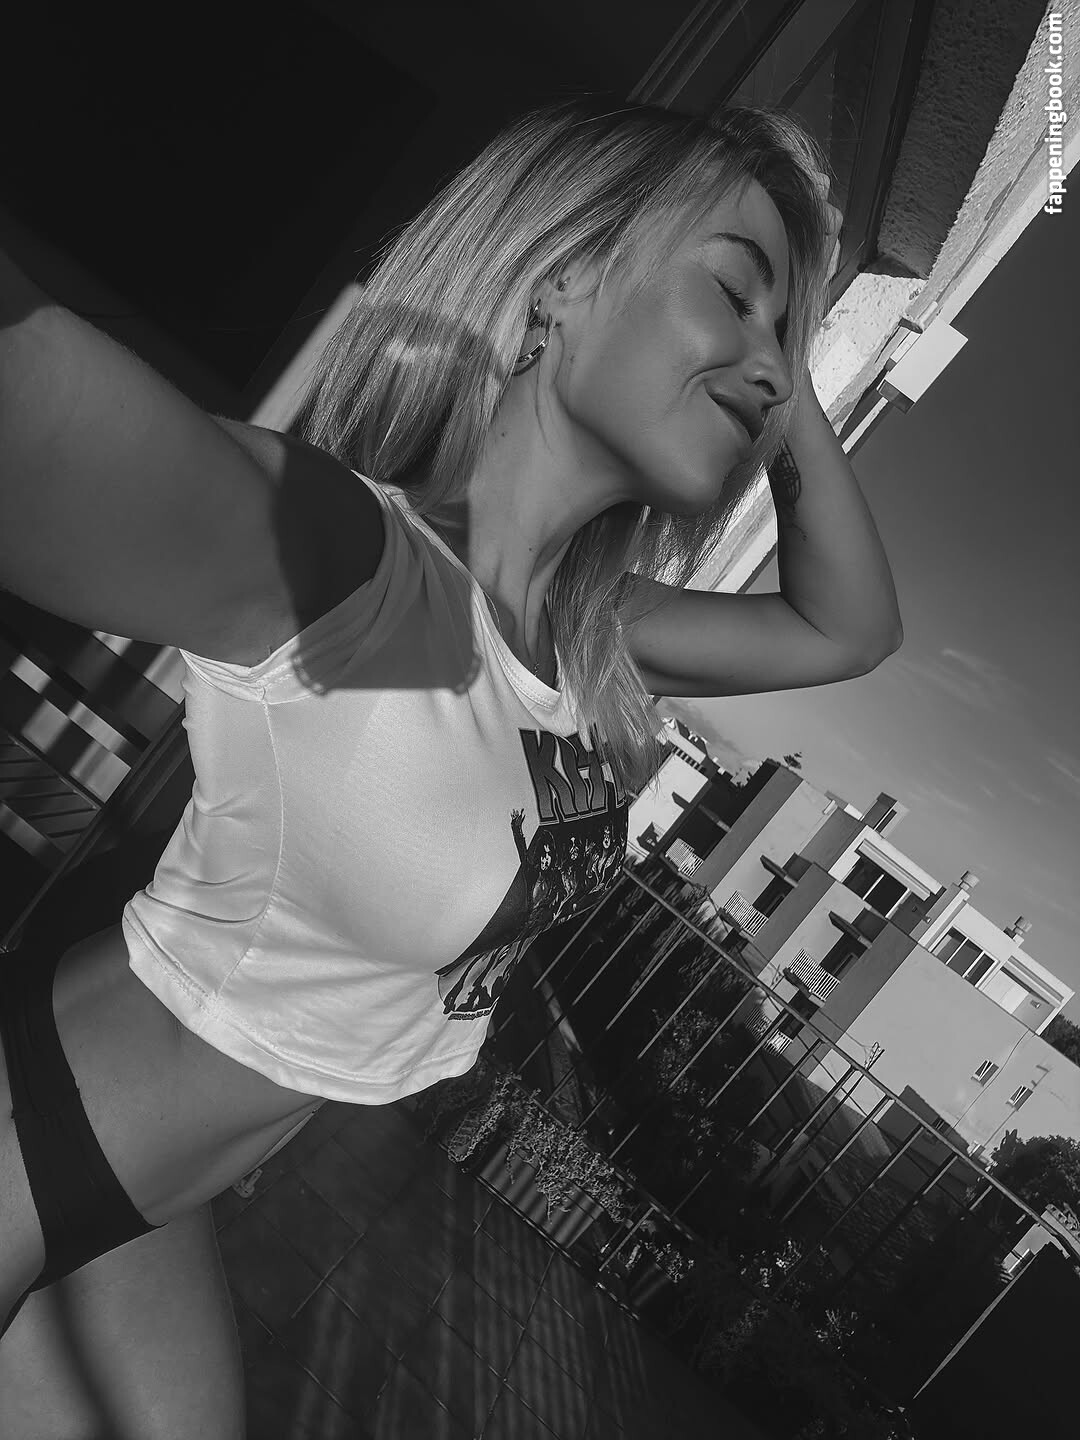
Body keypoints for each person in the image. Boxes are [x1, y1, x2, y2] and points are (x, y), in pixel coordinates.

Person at [0, 94, 902, 1436]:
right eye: (732, 289)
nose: (768, 359)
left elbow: (848, 629)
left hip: (142, 1207)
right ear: (560, 283)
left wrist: (784, 373)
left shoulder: (586, 637)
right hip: (36, 1135)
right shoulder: (353, 570)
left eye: (787, 330)